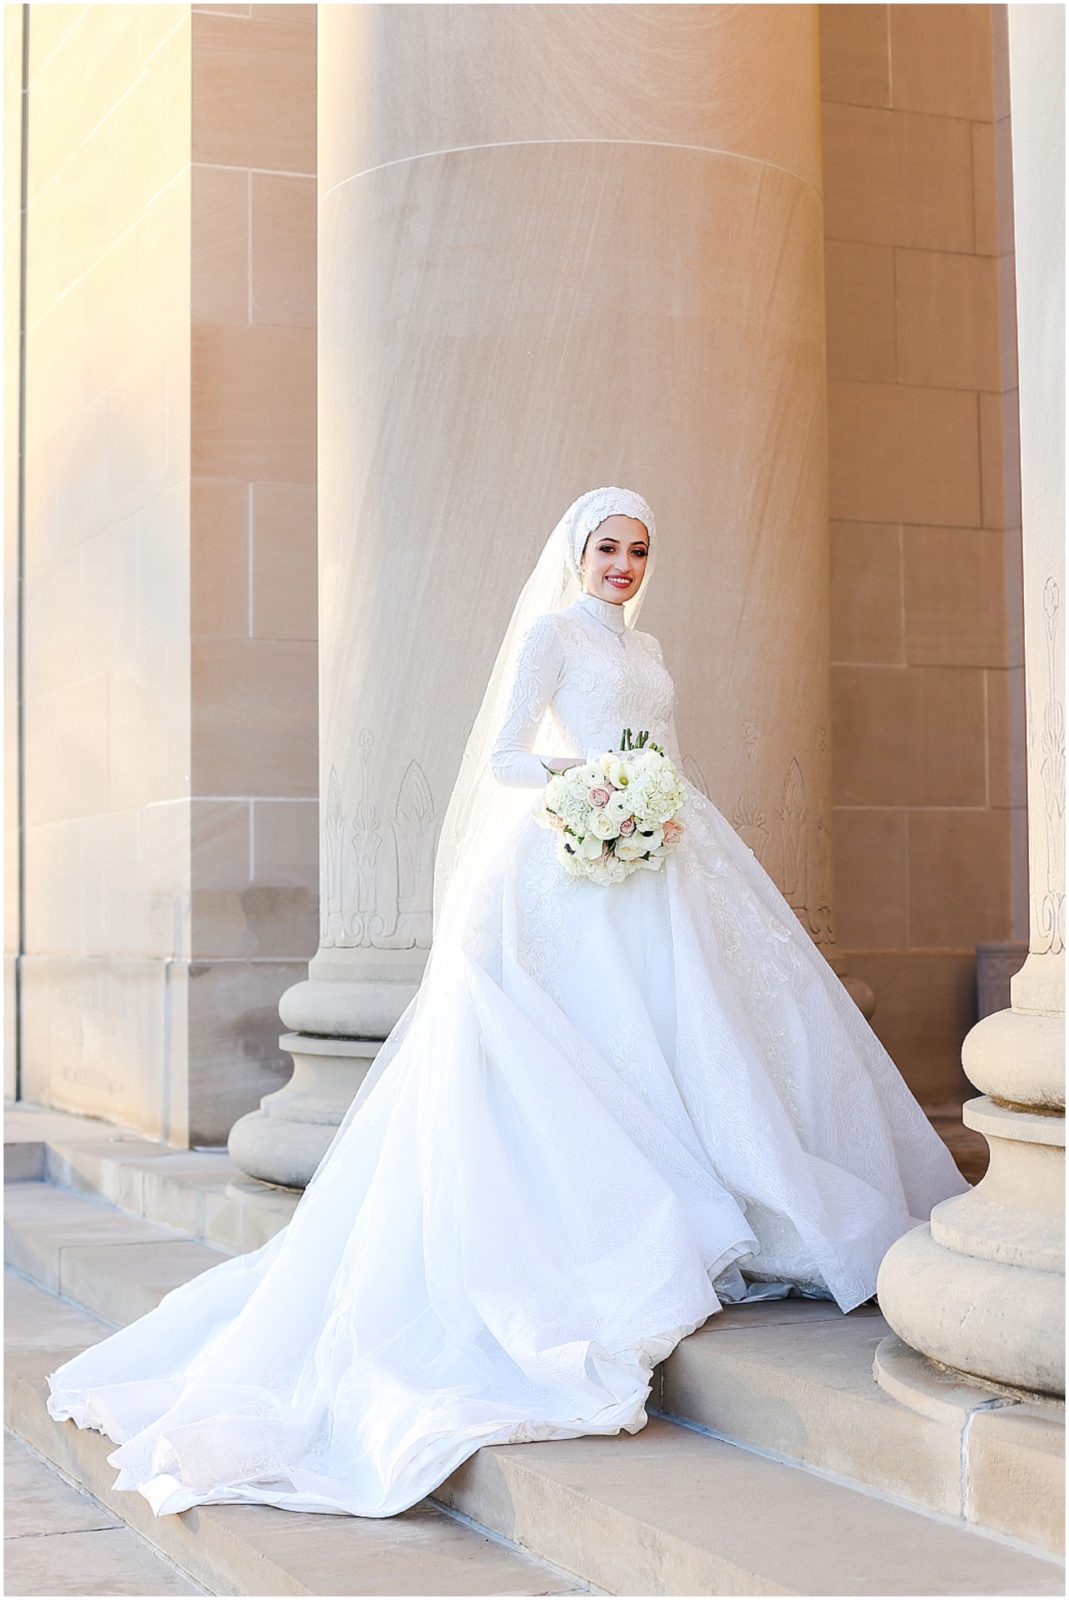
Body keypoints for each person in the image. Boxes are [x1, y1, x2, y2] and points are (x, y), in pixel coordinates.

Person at [46, 485, 970, 1520]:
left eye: (638, 550)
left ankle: (744, 1190)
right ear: (577, 553)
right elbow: (503, 754)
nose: (622, 563)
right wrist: (594, 789)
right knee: (601, 1034)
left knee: (707, 1030)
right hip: (582, 846)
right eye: (607, 547)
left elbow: (664, 746)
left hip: (668, 847)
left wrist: (656, 803)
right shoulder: (552, 634)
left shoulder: (647, 644)